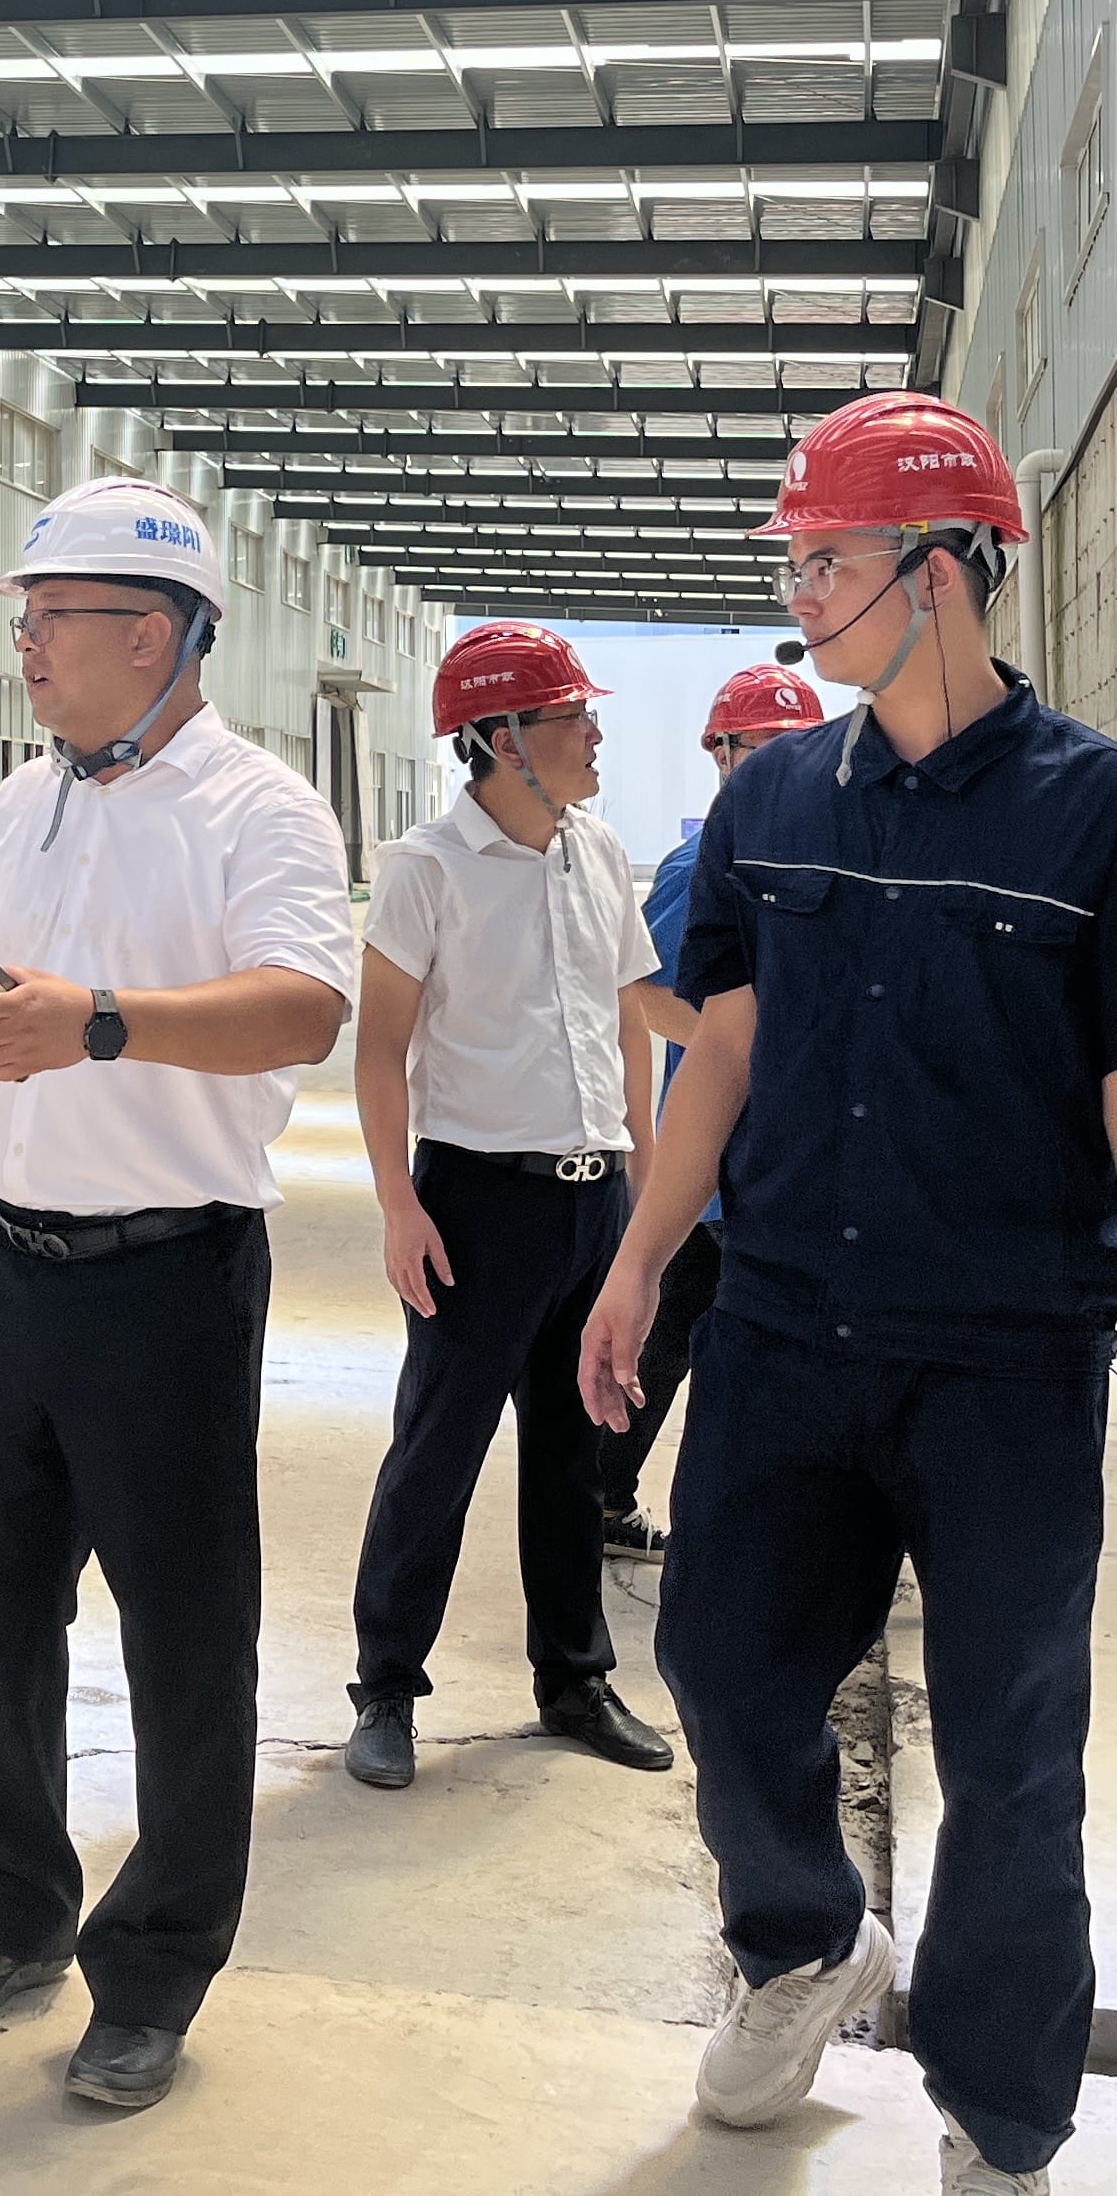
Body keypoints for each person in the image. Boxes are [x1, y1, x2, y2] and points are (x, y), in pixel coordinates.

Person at [579, 392, 1117, 2196]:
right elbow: (722, 1054)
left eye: (831, 559)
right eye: (795, 562)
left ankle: (1000, 2108)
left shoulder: (1105, 815)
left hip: (1007, 1361)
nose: (800, 595)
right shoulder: (773, 799)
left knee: (1014, 1749)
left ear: (943, 569)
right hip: (785, 1331)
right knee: (718, 1664)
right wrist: (640, 1259)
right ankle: (805, 1938)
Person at [0, 476, 353, 2116]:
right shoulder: (28, 799)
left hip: (168, 1272)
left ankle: (155, 1965)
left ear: (151, 633)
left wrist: (99, 1019)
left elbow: (301, 1006)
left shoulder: (258, 809)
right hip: (6, 1260)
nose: (22, 644)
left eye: (49, 617)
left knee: (183, 1635)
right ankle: (10, 1907)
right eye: (21, 616)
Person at [339, 622, 672, 1794]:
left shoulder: (599, 852)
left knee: (575, 1448)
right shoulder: (426, 869)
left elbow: (633, 1019)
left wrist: (646, 1185)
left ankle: (573, 1678)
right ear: (502, 739)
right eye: (573, 716)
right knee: (439, 1449)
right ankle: (387, 1686)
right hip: (477, 1204)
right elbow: (379, 1051)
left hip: (595, 1197)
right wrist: (399, 1205)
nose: (595, 735)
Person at [597, 658, 826, 1558]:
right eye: (762, 748)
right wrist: (766, 1056)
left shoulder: (834, 853)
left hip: (793, 1165)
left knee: (679, 1341)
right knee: (704, 1350)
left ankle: (607, 1499)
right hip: (719, 1168)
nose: (781, 765)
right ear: (722, 755)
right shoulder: (701, 865)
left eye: (797, 747)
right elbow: (649, 995)